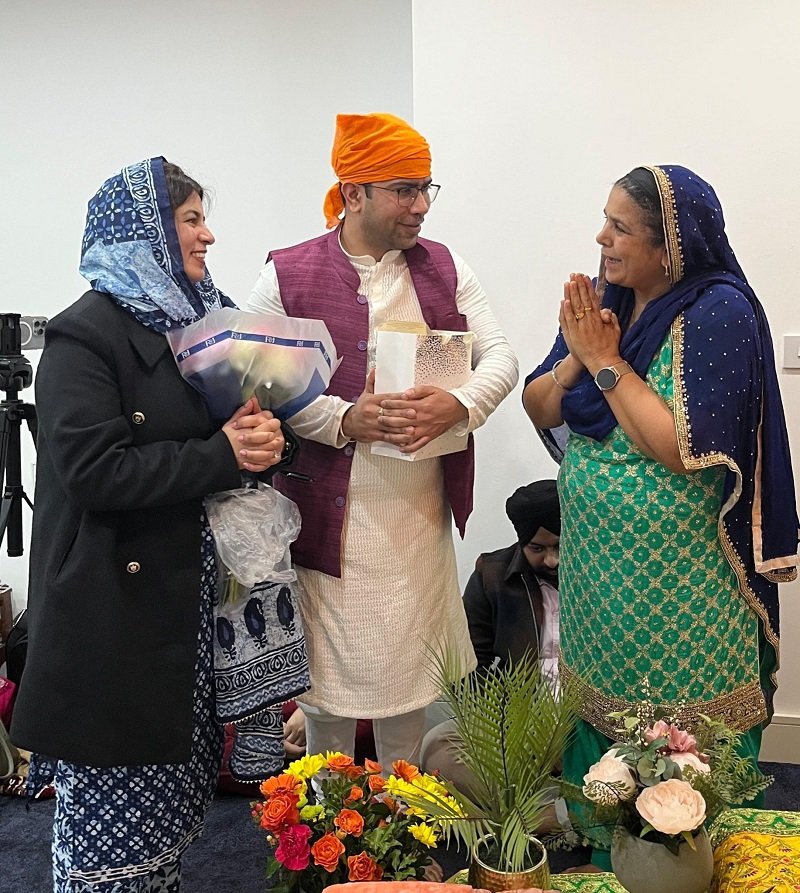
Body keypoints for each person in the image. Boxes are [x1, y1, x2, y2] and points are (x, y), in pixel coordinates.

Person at [11, 157, 288, 892]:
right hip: (114, 625)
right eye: (191, 220)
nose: (208, 236)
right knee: (108, 846)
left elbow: (236, 434)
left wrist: (263, 440)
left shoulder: (201, 324)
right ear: (146, 232)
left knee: (163, 830)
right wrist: (222, 455)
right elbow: (95, 473)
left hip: (182, 618)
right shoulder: (83, 337)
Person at [523, 165, 799, 870]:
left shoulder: (719, 312)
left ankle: (684, 859)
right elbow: (539, 404)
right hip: (600, 577)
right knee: (600, 704)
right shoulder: (606, 299)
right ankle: (605, 841)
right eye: (605, 220)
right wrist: (575, 361)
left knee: (682, 719)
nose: (602, 238)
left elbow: (681, 448)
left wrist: (604, 360)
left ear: (669, 245)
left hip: (682, 586)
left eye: (620, 228)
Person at [248, 112, 518, 768]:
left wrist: (457, 403)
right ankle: (324, 823)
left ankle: (402, 813)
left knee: (407, 696)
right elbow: (260, 379)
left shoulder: (445, 267)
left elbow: (501, 357)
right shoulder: (286, 274)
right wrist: (344, 420)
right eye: (404, 189)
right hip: (322, 523)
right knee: (324, 702)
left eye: (426, 188)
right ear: (354, 192)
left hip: (414, 519)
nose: (421, 205)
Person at [420, 479, 562, 798]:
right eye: (537, 549)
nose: (551, 560)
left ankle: (535, 803)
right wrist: (497, 726)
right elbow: (470, 664)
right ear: (521, 541)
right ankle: (546, 806)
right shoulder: (492, 576)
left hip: (579, 726)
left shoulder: (601, 577)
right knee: (437, 749)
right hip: (513, 726)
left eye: (559, 546)